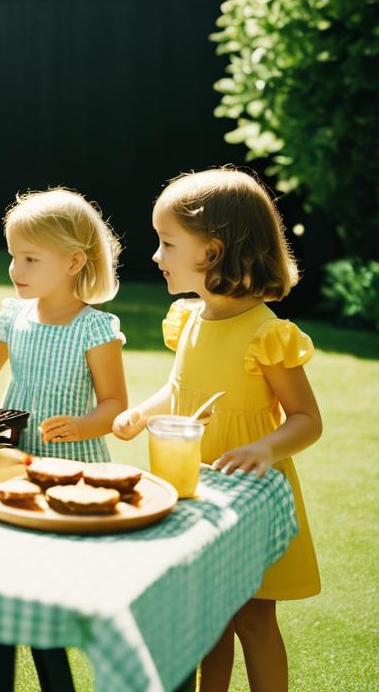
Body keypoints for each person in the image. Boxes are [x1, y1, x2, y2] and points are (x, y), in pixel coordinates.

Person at [113, 167, 322, 692]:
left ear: (213, 250)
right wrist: (143, 412)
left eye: (167, 243)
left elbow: (306, 420)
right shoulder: (188, 320)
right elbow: (180, 389)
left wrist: (264, 449)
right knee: (207, 622)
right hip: (194, 489)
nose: (157, 256)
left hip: (250, 501)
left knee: (253, 619)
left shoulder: (266, 333)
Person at [0, 188, 128, 460]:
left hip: (72, 460)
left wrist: (81, 427)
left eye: (30, 259)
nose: (16, 269)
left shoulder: (93, 329)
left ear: (74, 262)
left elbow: (114, 404)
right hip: (16, 452)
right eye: (13, 256)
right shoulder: (14, 316)